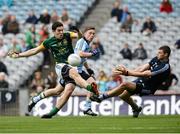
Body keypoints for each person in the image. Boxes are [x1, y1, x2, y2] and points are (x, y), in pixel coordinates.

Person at [8, 21, 99, 118]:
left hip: (71, 66)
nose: (61, 32)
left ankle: (40, 104)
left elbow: (80, 38)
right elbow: (34, 50)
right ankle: (90, 88)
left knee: (62, 91)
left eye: (62, 30)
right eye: (59, 31)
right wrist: (19, 55)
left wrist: (78, 32)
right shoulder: (48, 42)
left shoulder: (67, 35)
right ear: (53, 31)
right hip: (60, 66)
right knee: (73, 73)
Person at [90, 46, 171, 118]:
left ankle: (101, 97)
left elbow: (146, 73)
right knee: (122, 96)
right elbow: (142, 68)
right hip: (141, 81)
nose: (157, 54)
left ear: (166, 54)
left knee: (125, 84)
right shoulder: (156, 59)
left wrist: (127, 73)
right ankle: (136, 108)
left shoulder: (165, 66)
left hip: (148, 87)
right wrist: (128, 71)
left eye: (160, 53)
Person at [74, 26, 100, 116]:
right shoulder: (82, 42)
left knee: (93, 83)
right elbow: (80, 54)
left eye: (93, 34)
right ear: (85, 33)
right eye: (90, 33)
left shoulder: (86, 43)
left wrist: (88, 69)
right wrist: (91, 53)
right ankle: (37, 99)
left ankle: (87, 107)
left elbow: (83, 58)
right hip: (74, 71)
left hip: (80, 71)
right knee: (58, 91)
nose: (92, 35)